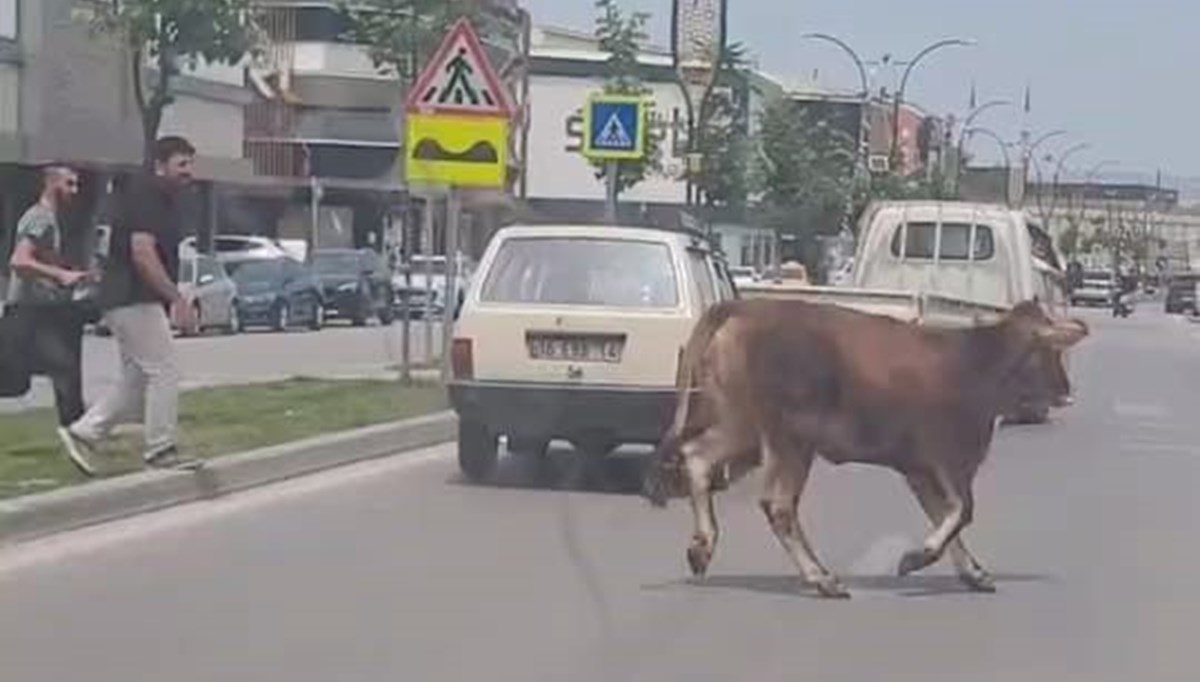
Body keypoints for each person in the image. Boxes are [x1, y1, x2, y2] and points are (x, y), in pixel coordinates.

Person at [59, 137, 202, 475]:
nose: (188, 172)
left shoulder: (153, 198)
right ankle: (161, 450)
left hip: (125, 297)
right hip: (132, 297)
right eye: (182, 164)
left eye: (190, 164)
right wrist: (176, 298)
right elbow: (142, 253)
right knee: (165, 369)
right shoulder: (147, 197)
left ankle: (84, 432)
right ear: (159, 165)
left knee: (137, 378)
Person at [5, 164, 95, 469]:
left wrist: (68, 276)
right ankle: (78, 434)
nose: (74, 190)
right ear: (51, 184)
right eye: (69, 184)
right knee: (56, 372)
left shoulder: (49, 219)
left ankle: (77, 435)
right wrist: (60, 274)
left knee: (55, 375)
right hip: (28, 312)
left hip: (40, 310)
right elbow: (19, 261)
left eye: (76, 184)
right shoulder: (40, 217)